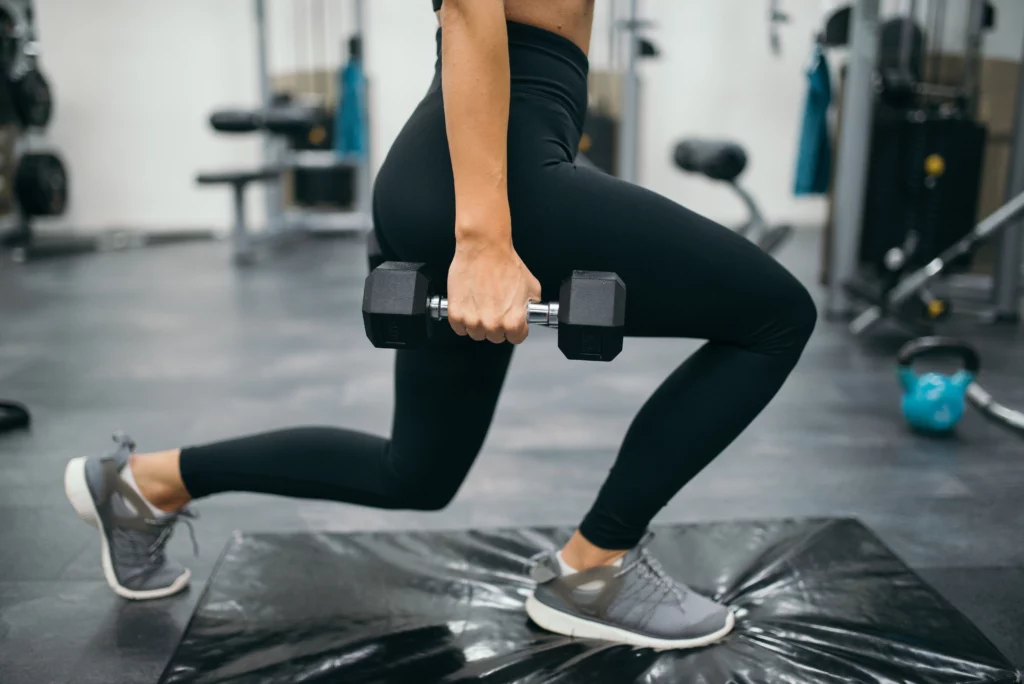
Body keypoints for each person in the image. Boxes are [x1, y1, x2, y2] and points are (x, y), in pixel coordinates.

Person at [63, 0, 816, 650]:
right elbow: (465, 8)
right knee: (775, 315)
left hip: (466, 159)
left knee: (416, 473)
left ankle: (142, 484)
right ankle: (595, 568)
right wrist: (483, 239)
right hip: (501, 169)